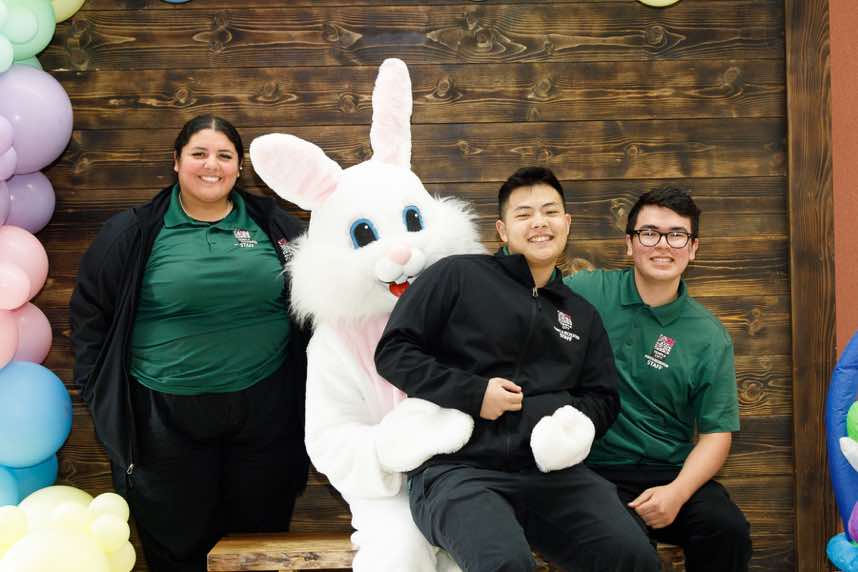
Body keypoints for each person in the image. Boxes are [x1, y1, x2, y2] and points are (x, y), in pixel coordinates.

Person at [375, 166, 661, 572]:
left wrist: (567, 429)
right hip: (459, 469)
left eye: (550, 211)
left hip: (551, 474)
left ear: (566, 224)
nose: (539, 222)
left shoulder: (581, 314)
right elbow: (394, 350)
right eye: (524, 214)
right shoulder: (457, 275)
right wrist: (474, 394)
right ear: (503, 230)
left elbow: (602, 397)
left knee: (634, 557)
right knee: (505, 564)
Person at [69, 115, 311, 572]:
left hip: (265, 412)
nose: (211, 165)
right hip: (163, 418)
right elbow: (89, 317)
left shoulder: (275, 226)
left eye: (224, 156)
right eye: (199, 154)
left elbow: (323, 294)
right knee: (176, 545)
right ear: (176, 161)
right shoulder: (133, 231)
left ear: (239, 168)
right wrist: (99, 391)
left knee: (258, 540)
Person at [563, 185, 752, 572]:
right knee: (627, 545)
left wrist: (677, 493)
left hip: (667, 471)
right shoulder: (587, 292)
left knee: (727, 528)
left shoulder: (708, 335)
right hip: (590, 469)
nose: (663, 245)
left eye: (677, 235)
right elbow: (525, 304)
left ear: (693, 248)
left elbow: (716, 434)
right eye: (649, 233)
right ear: (629, 243)